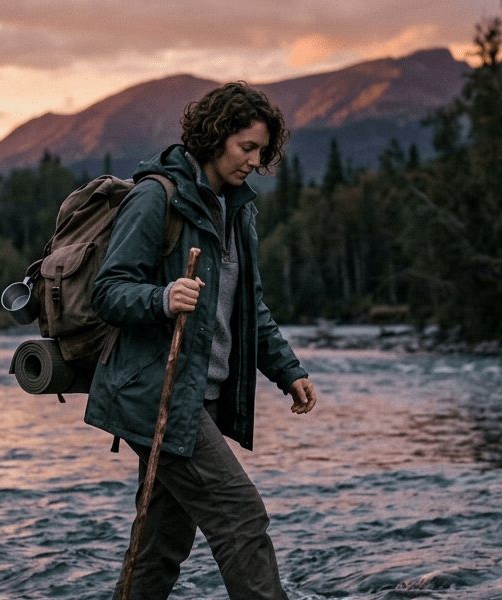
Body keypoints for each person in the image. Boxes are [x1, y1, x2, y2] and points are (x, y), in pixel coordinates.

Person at [86, 81, 318, 600]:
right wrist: (163, 298)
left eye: (262, 151)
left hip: (200, 396)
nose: (255, 161)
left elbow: (248, 307)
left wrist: (288, 371)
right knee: (241, 518)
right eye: (247, 147)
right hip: (159, 395)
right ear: (215, 138)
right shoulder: (157, 197)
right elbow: (108, 291)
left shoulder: (238, 209)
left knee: (160, 544)